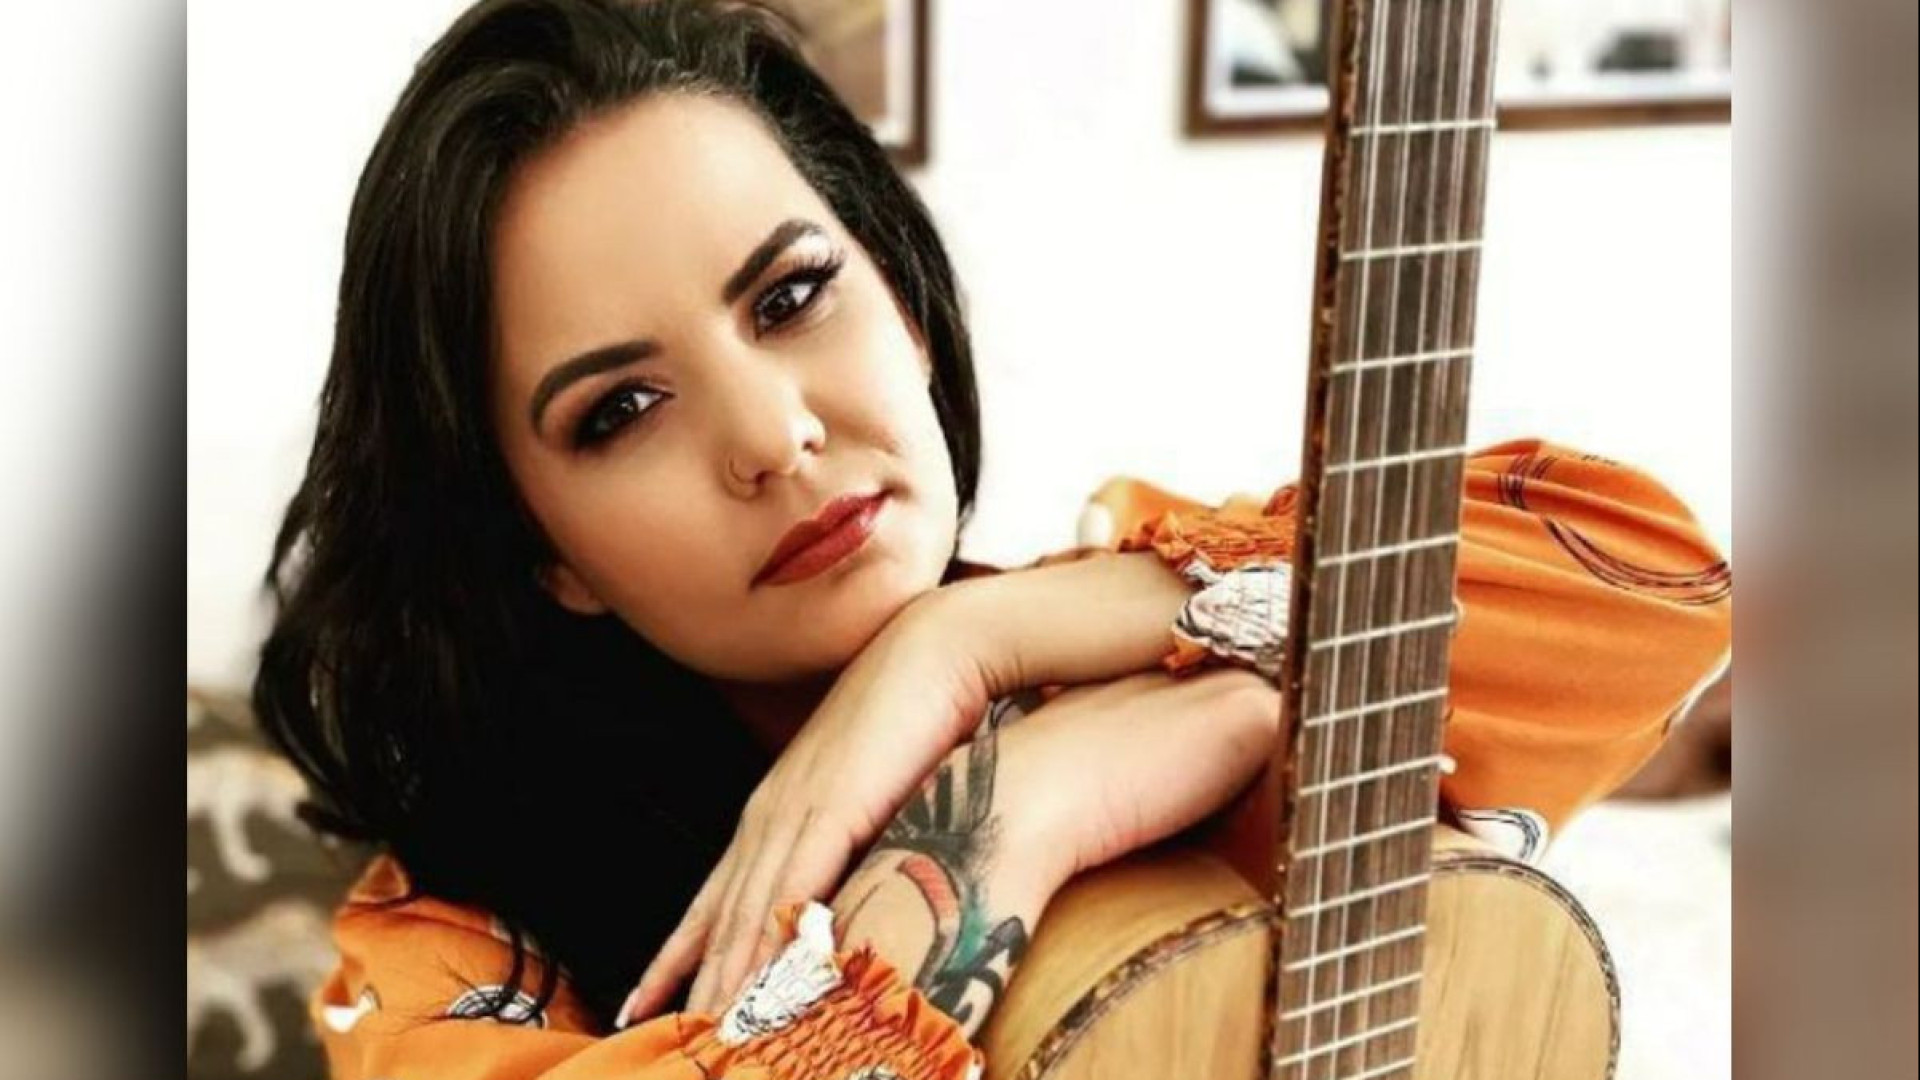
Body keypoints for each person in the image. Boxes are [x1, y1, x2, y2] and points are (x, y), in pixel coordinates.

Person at [249, 1, 1734, 1077]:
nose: (773, 435)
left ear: (901, 301)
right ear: (543, 548)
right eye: (621, 408)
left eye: (790, 296)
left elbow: (1656, 584)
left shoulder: (1128, 623)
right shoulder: (440, 960)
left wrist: (978, 641)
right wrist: (1018, 816)